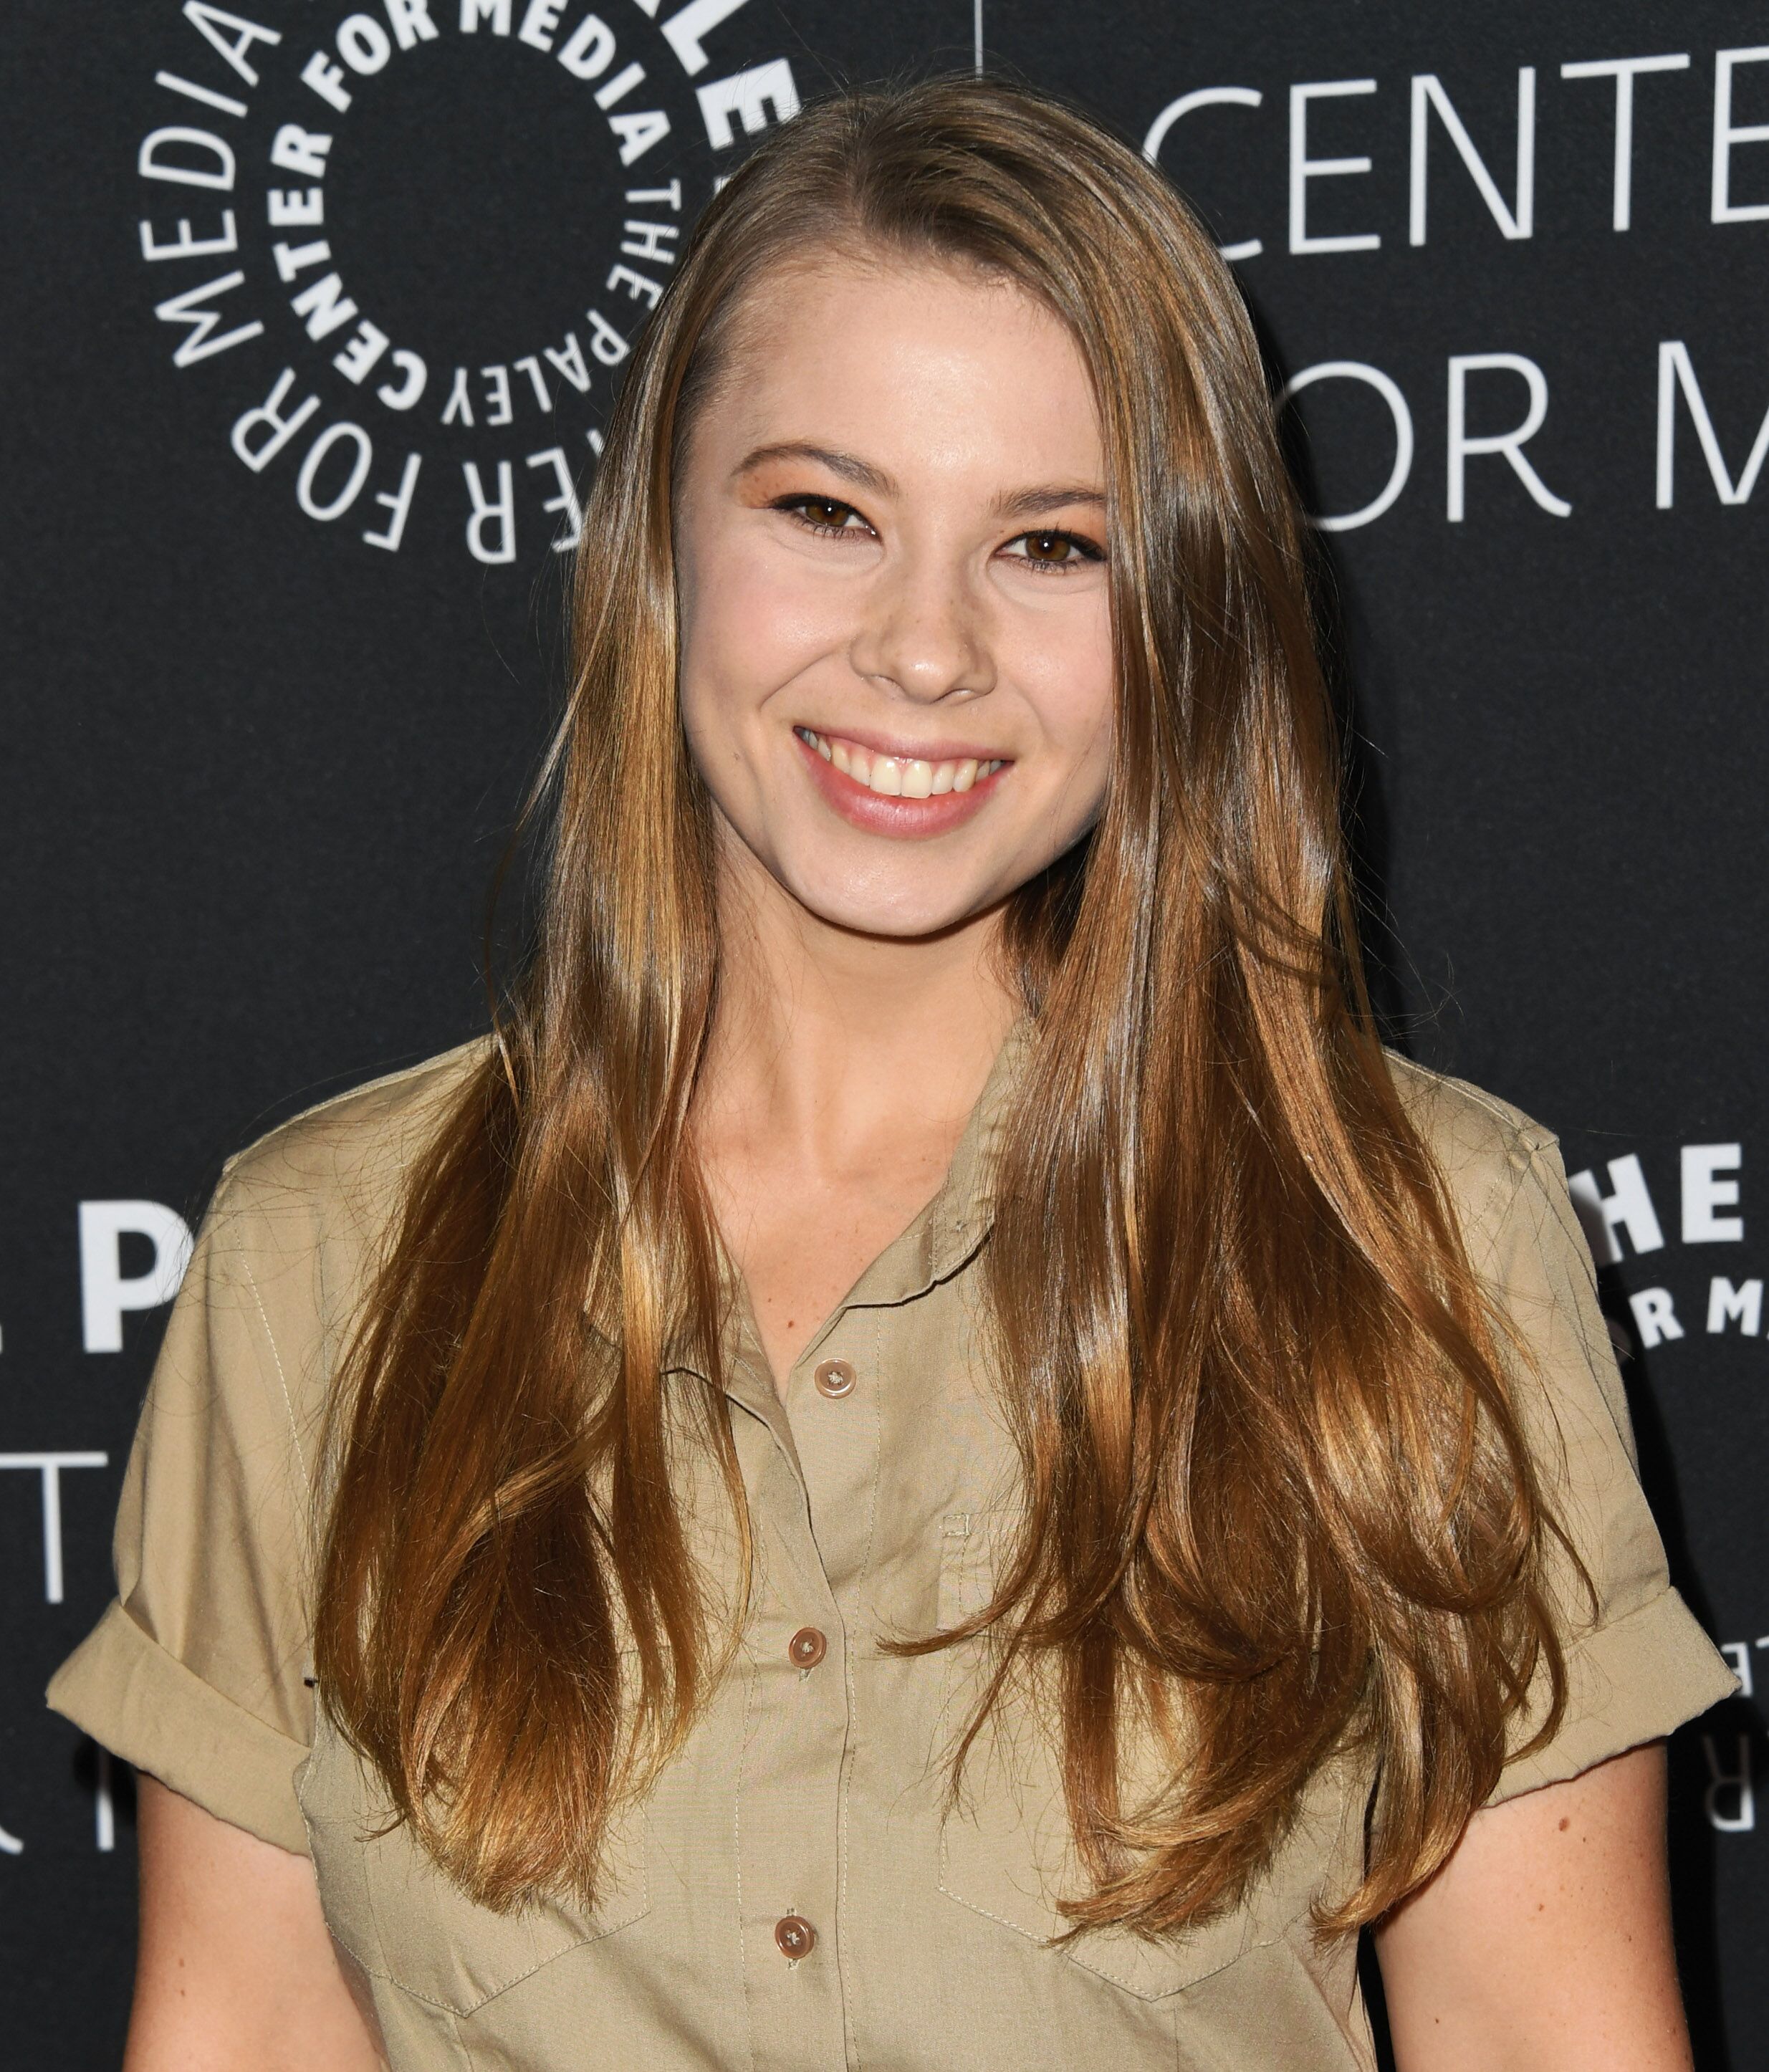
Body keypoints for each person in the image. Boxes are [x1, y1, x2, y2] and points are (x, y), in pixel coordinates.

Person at [51, 77, 1734, 2072]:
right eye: (827, 512)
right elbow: (241, 2029)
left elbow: (1554, 2039)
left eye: (1050, 544)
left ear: (1182, 614)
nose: (925, 650)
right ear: (661, 529)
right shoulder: (320, 1254)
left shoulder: (1413, 1235)